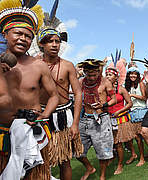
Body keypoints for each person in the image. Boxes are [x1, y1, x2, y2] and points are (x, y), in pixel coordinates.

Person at [0, 0, 60, 179]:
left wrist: (45, 114)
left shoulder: (39, 65)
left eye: (28, 36)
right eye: (18, 33)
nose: (23, 39)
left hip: (32, 130)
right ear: (5, 34)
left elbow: (54, 96)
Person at [37, 27, 83, 179]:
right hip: (42, 116)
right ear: (42, 44)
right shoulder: (35, 64)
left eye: (57, 41)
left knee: (65, 160)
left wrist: (75, 123)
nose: (55, 44)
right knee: (41, 160)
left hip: (64, 116)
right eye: (50, 41)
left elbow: (77, 93)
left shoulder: (67, 65)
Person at [77, 59, 116, 180]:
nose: (92, 77)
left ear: (98, 72)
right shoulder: (81, 82)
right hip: (84, 120)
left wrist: (103, 106)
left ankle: (102, 176)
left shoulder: (105, 82)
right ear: (84, 72)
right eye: (89, 74)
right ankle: (89, 168)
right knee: (77, 151)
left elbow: (114, 99)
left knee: (102, 152)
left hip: (101, 119)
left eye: (95, 74)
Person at [106, 66, 136, 175]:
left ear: (116, 77)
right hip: (110, 118)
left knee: (122, 141)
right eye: (107, 74)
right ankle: (120, 157)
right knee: (116, 142)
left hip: (122, 118)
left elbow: (130, 103)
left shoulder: (121, 89)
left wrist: (119, 111)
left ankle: (120, 165)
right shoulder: (105, 90)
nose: (107, 77)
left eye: (110, 75)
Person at [125, 67, 148, 167]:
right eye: (131, 74)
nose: (133, 76)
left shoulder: (140, 84)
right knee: (133, 137)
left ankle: (142, 158)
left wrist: (133, 96)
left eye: (135, 74)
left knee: (140, 137)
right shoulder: (128, 86)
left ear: (138, 75)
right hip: (131, 112)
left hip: (141, 111)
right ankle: (135, 155)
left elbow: (144, 97)